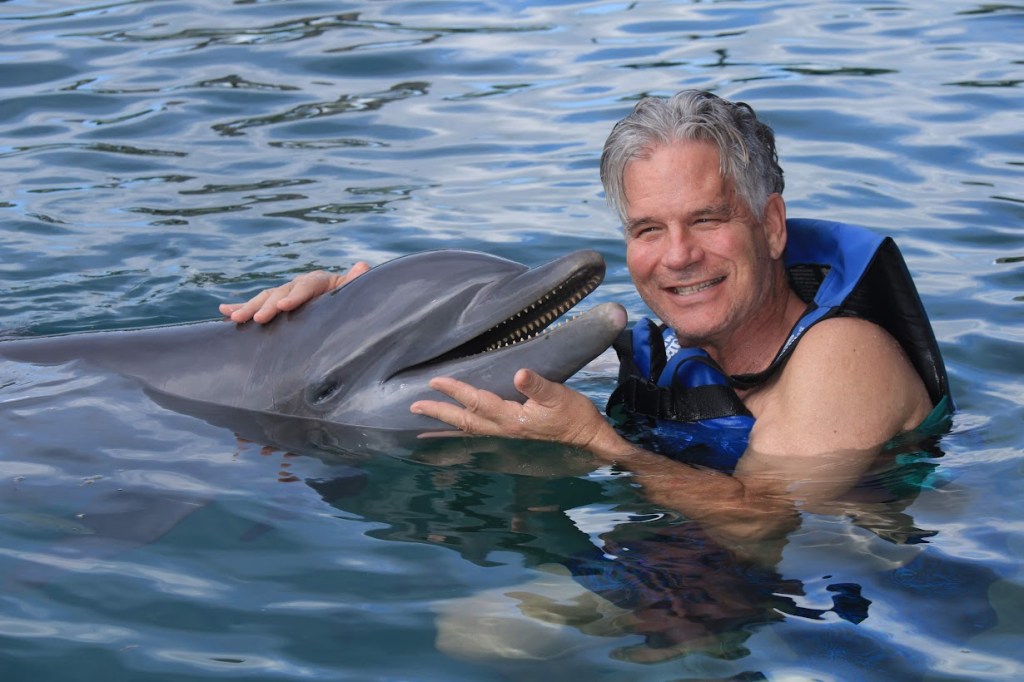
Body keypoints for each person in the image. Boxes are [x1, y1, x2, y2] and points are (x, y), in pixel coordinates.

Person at [220, 90, 950, 546]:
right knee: (487, 634)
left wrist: (600, 445)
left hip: (844, 613)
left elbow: (762, 527)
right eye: (649, 230)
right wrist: (339, 306)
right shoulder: (684, 347)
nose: (678, 256)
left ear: (772, 225)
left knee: (493, 639)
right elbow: (502, 358)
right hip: (697, 579)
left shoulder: (840, 359)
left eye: (707, 220)